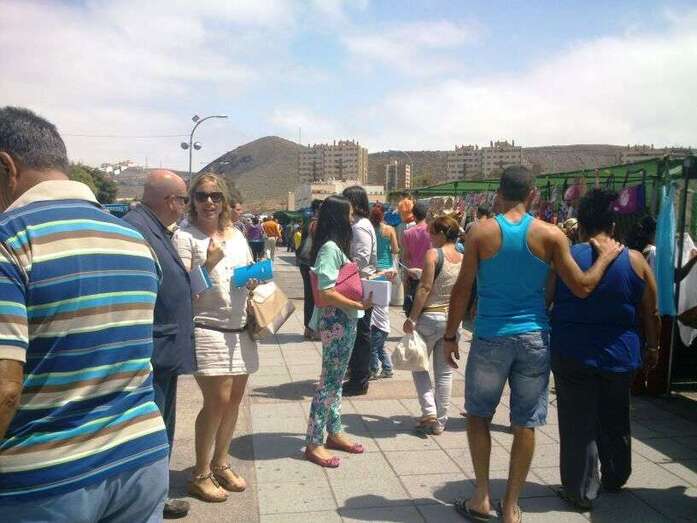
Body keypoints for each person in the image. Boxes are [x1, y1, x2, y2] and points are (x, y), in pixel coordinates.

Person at [0, 107, 169, 521]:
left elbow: (4, 388)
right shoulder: (133, 240)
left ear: (6, 167)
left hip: (43, 480)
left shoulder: (10, 241)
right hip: (141, 458)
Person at [443, 166, 622, 523]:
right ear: (533, 195)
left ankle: (481, 498)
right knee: (525, 423)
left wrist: (450, 336)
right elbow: (582, 286)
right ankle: (511, 507)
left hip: (491, 336)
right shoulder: (551, 235)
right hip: (534, 338)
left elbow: (463, 288)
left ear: (499, 193)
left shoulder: (480, 232)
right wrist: (604, 257)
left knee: (478, 416)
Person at [549, 189, 660, 510]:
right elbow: (651, 312)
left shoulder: (565, 259)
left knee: (577, 422)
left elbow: (546, 299)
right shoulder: (636, 260)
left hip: (572, 352)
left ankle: (581, 490)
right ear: (613, 226)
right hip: (620, 354)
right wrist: (653, 347)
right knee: (615, 414)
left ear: (581, 227)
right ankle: (615, 474)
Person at [173, 174, 258, 502]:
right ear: (192, 201)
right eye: (202, 196)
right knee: (217, 400)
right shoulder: (185, 237)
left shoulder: (236, 235)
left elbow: (245, 272)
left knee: (234, 399)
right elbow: (182, 292)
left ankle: (221, 463)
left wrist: (254, 278)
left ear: (224, 200)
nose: (209, 202)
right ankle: (200, 473)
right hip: (207, 327)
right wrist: (207, 265)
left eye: (216, 196)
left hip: (240, 328)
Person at [124, 170, 196, 519]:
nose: (184, 207)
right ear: (170, 201)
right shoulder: (137, 230)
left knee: (162, 426)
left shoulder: (154, 228)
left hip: (164, 349)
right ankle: (149, 500)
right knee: (152, 429)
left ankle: (157, 494)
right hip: (153, 351)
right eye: (184, 199)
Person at [304, 195, 372, 467]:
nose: (352, 219)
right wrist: (357, 304)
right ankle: (314, 442)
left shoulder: (334, 247)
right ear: (339, 218)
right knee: (329, 383)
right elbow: (326, 292)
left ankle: (334, 431)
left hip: (343, 320)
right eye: (350, 214)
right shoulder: (330, 249)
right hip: (337, 321)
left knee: (335, 380)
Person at [403, 215, 463, 435]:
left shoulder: (433, 254)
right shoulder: (463, 257)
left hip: (429, 318)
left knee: (417, 364)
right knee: (444, 373)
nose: (430, 238)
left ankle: (429, 410)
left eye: (432, 234)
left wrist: (412, 318)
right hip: (452, 321)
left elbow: (425, 288)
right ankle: (440, 421)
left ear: (441, 234)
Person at [342, 186, 377, 396]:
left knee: (361, 334)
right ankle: (358, 374)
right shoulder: (359, 224)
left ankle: (360, 379)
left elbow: (361, 259)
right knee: (359, 333)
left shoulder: (360, 227)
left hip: (360, 285)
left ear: (354, 203)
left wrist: (342, 265)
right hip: (359, 283)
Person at [369, 203, 399, 380]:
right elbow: (395, 250)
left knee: (372, 310)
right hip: (387, 272)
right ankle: (381, 358)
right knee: (382, 308)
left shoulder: (367, 229)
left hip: (372, 272)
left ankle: (375, 362)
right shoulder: (389, 230)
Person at [297, 199, 322, 339]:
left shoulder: (307, 221)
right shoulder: (318, 224)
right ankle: (314, 329)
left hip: (304, 262)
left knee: (309, 296)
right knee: (316, 297)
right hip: (313, 263)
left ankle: (308, 328)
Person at [402, 201, 431, 314]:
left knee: (412, 310)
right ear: (427, 214)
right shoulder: (432, 231)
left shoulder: (407, 233)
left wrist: (406, 278)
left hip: (413, 276)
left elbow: (406, 257)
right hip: (429, 275)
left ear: (413, 215)